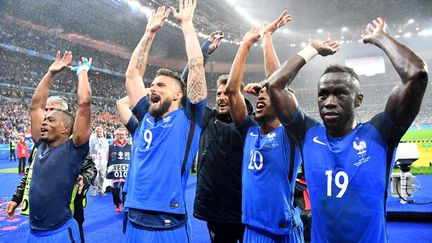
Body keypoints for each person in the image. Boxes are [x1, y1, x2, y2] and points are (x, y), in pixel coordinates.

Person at [267, 17, 428, 242]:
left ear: (358, 100)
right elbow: (274, 85)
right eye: (323, 95)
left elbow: (417, 74)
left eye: (340, 93)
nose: (329, 102)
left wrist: (382, 38)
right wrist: (310, 50)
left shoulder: (381, 132)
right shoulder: (306, 133)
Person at [123, 0, 207, 242]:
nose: (152, 88)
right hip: (134, 219)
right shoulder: (145, 115)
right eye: (151, 85)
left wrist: (187, 26)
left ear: (178, 95)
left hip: (168, 226)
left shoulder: (189, 119)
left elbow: (197, 66)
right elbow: (132, 76)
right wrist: (149, 33)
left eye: (160, 85)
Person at [226, 11, 304, 243]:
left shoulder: (290, 133)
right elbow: (232, 91)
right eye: (259, 92)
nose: (261, 96)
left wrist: (267, 37)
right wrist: (245, 45)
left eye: (267, 94)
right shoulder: (249, 131)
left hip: (281, 233)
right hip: (250, 229)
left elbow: (277, 83)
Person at [6, 95, 96, 243]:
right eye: (45, 109)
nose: (46, 114)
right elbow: (31, 171)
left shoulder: (74, 141)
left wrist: (84, 178)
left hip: (68, 214)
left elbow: (90, 167)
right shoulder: (42, 141)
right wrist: (17, 198)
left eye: (52, 110)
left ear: (65, 114)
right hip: (40, 217)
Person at [27, 51, 92, 242]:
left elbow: (84, 104)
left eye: (51, 120)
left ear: (66, 128)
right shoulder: (40, 145)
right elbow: (36, 107)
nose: (44, 122)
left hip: (60, 233)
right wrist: (50, 73)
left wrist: (82, 72)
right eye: (44, 119)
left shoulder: (74, 149)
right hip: (33, 233)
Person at [107, 127, 131, 212]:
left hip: (126, 174)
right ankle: (117, 204)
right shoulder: (110, 146)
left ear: (125, 135)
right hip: (114, 174)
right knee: (115, 192)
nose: (120, 136)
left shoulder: (130, 146)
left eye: (122, 134)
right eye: (119, 134)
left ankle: (125, 205)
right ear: (115, 135)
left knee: (126, 191)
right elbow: (107, 159)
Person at [89, 126, 109, 196]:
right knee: (94, 175)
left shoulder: (105, 140)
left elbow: (107, 150)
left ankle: (100, 190)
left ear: (102, 132)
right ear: (96, 132)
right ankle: (94, 189)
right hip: (95, 160)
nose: (99, 133)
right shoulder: (92, 140)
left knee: (102, 176)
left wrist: (106, 159)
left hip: (103, 160)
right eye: (97, 131)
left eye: (100, 131)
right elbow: (91, 150)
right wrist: (92, 158)